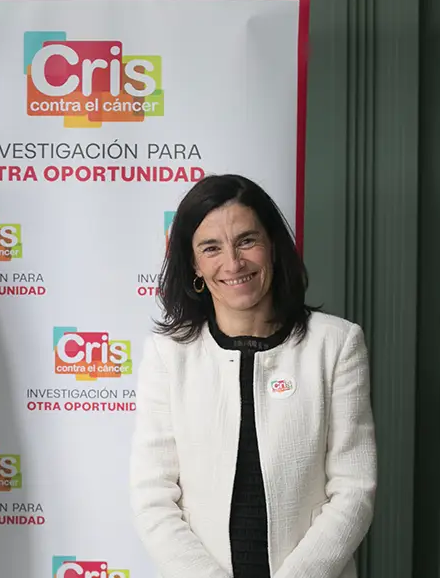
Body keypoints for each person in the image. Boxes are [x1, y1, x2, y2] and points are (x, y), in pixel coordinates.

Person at [128, 174, 377, 578]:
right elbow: (152, 497)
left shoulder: (337, 344)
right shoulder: (168, 354)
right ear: (193, 263)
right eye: (211, 248)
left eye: (247, 240)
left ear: (273, 246)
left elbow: (354, 490)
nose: (233, 262)